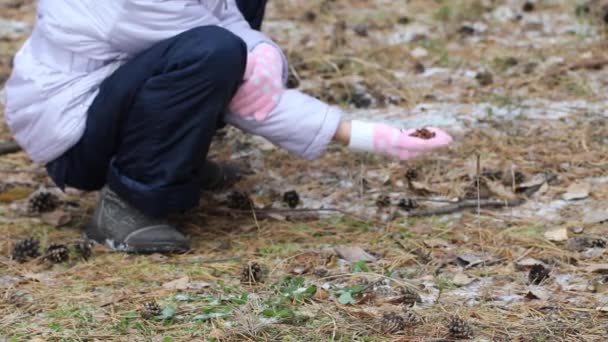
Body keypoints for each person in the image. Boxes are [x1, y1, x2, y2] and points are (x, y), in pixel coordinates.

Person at [2, 0, 453, 254]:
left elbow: (234, 31)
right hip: (72, 127)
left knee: (223, 42)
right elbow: (225, 65)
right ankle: (129, 200)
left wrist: (261, 58)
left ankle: (175, 159)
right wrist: (365, 134)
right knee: (211, 53)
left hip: (117, 92)